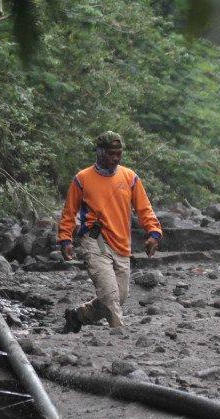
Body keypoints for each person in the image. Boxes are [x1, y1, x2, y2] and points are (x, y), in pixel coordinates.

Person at [57, 131, 163, 333]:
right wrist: (65, 239)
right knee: (110, 295)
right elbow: (69, 212)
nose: (116, 157)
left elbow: (144, 209)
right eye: (111, 153)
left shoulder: (130, 177)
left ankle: (77, 315)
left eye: (119, 153)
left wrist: (154, 233)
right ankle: (119, 333)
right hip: (95, 240)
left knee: (119, 297)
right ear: (99, 152)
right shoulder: (82, 179)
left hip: (122, 243)